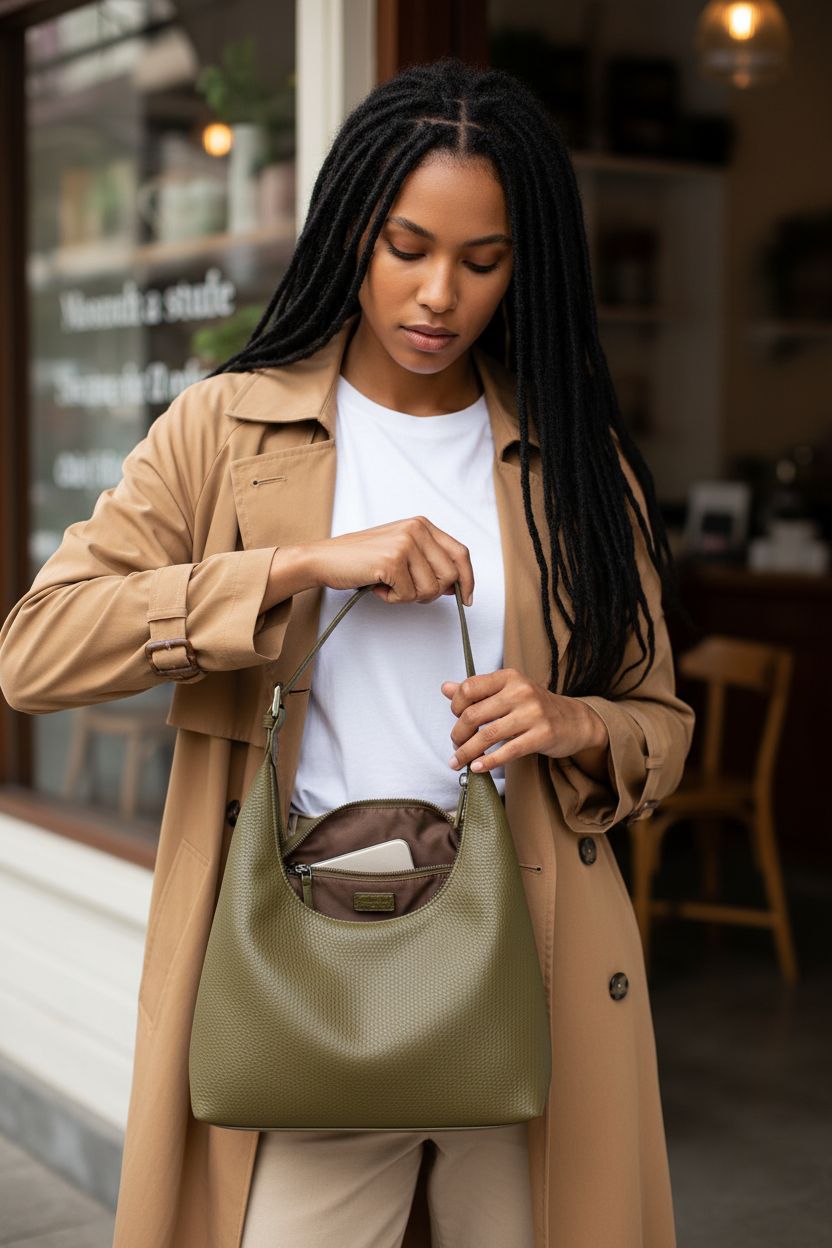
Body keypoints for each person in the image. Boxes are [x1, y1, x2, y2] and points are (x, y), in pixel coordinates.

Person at [0, 57, 695, 1248]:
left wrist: (570, 722)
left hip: (523, 976)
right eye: (405, 246)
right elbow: (35, 649)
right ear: (347, 235)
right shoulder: (226, 429)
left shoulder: (572, 459)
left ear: (525, 268)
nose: (439, 296)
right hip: (299, 973)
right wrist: (294, 568)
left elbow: (659, 723)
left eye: (482, 262)